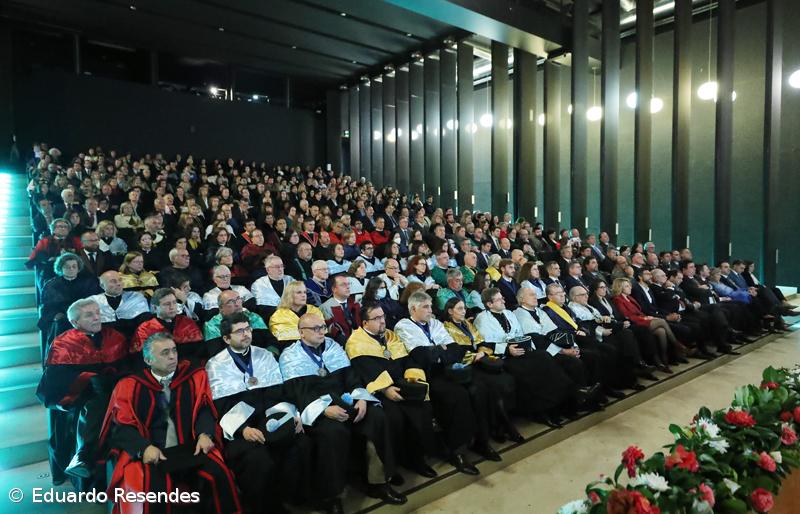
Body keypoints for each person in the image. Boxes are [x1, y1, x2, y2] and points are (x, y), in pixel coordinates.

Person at [100, 332, 242, 514]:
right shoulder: (129, 386)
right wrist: (144, 448)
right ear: (148, 360)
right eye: (165, 353)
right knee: (154, 492)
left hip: (191, 447)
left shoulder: (193, 377)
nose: (172, 356)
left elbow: (204, 409)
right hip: (155, 451)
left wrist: (205, 434)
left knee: (218, 475)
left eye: (174, 350)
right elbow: (122, 426)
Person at [280, 312, 404, 512]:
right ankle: (332, 495)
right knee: (333, 433)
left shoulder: (333, 346)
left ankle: (378, 482)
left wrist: (361, 398)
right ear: (301, 333)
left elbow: (351, 377)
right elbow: (297, 393)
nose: (322, 331)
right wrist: (324, 410)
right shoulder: (290, 356)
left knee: (376, 416)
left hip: (347, 402)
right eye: (316, 328)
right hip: (319, 410)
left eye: (323, 326)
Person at [206, 313, 310, 514]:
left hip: (269, 418)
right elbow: (222, 405)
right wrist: (243, 429)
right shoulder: (215, 364)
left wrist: (291, 415)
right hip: (240, 427)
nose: (246, 334)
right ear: (226, 338)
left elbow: (279, 393)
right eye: (239, 331)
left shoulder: (265, 355)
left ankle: (293, 498)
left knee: (301, 443)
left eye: (248, 329)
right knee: (258, 459)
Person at [394, 292, 493, 475]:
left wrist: (437, 352)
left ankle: (481, 440)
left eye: (431, 306)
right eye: (425, 307)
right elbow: (421, 356)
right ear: (413, 308)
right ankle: (457, 451)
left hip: (448, 370)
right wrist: (440, 350)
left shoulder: (435, 323)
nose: (431, 311)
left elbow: (455, 350)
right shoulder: (404, 325)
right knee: (457, 396)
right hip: (426, 375)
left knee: (479, 389)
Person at [36, 299, 133, 485]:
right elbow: (56, 382)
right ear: (75, 322)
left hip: (117, 391)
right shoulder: (63, 344)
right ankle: (84, 458)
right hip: (82, 397)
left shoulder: (115, 337)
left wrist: (114, 378)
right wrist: (88, 379)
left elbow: (127, 366)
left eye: (97, 312)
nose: (97, 317)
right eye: (89, 315)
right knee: (94, 406)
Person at [345, 304, 437, 478]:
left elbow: (407, 360)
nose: (382, 321)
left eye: (383, 317)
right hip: (378, 391)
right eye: (377, 318)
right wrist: (385, 389)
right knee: (394, 417)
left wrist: (413, 377)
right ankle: (393, 467)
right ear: (365, 323)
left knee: (422, 409)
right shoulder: (356, 341)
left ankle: (416, 460)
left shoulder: (390, 335)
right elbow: (365, 370)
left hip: (403, 384)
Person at [38, 252, 102, 359]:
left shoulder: (88, 282)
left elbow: (94, 300)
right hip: (62, 317)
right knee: (59, 325)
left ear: (78, 268)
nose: (71, 269)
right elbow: (48, 306)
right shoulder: (52, 285)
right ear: (60, 268)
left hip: (85, 315)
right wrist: (56, 315)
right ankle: (61, 358)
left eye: (74, 266)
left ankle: (94, 357)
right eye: (67, 267)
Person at [611, 278, 680, 373]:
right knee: (662, 322)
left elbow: (639, 312)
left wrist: (647, 317)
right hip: (635, 323)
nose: (630, 287)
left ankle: (662, 362)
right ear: (620, 287)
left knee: (661, 331)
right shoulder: (618, 299)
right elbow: (628, 316)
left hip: (642, 320)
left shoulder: (630, 297)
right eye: (627, 286)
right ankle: (678, 345)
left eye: (629, 285)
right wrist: (645, 318)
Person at [132, 288, 205, 362]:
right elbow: (141, 357)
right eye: (167, 304)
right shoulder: (144, 329)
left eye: (174, 302)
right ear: (155, 307)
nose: (172, 307)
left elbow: (200, 350)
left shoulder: (187, 322)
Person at [204, 289, 272, 357]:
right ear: (221, 308)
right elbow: (217, 353)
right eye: (230, 302)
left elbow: (270, 340)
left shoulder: (254, 317)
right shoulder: (212, 325)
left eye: (238, 299)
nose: (237, 304)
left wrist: (271, 354)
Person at [87, 270, 150, 336]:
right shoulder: (92, 301)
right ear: (102, 286)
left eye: (120, 280)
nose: (118, 283)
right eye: (113, 281)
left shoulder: (136, 297)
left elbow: (145, 324)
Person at [269, 281, 325, 350]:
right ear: (289, 295)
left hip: (319, 348)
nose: (303, 295)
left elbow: (323, 332)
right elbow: (282, 340)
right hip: (291, 351)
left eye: (304, 292)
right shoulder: (278, 316)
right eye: (299, 292)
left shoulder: (315, 311)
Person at [320, 274, 362, 345]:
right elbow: (332, 331)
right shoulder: (325, 308)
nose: (348, 287)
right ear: (334, 289)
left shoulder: (356, 304)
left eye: (348, 284)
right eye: (343, 284)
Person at [251, 255, 294, 319]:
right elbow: (262, 308)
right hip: (271, 318)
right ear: (268, 269)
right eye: (277, 267)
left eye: (282, 266)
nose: (280, 269)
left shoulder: (290, 280)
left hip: (293, 316)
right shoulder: (259, 284)